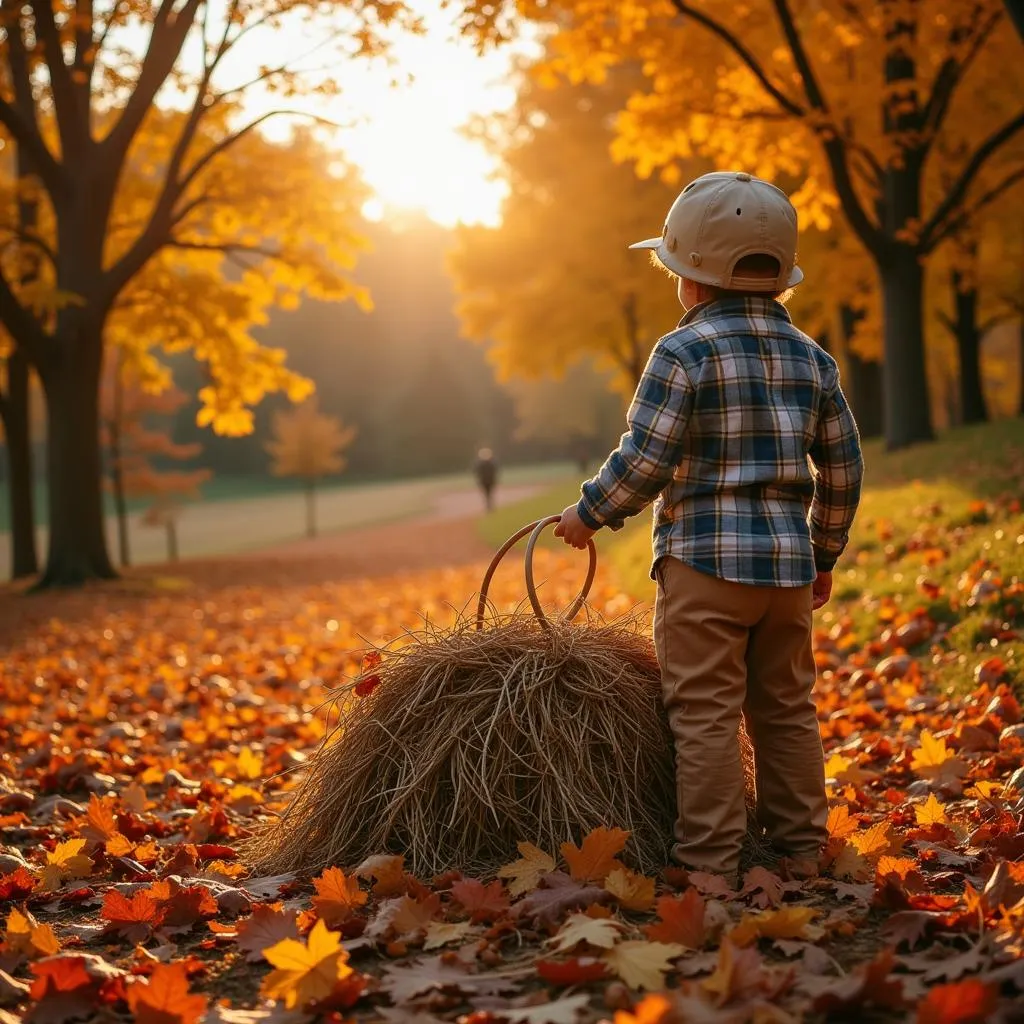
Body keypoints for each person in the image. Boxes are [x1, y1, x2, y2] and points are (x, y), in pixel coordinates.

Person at [554, 171, 864, 885]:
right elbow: (843, 468)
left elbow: (647, 457)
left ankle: (710, 866)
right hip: (787, 573)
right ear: (781, 278)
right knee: (786, 710)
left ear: (689, 282)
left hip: (704, 569)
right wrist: (822, 553)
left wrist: (591, 512)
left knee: (705, 717)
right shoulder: (813, 360)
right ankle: (799, 850)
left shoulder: (681, 353)